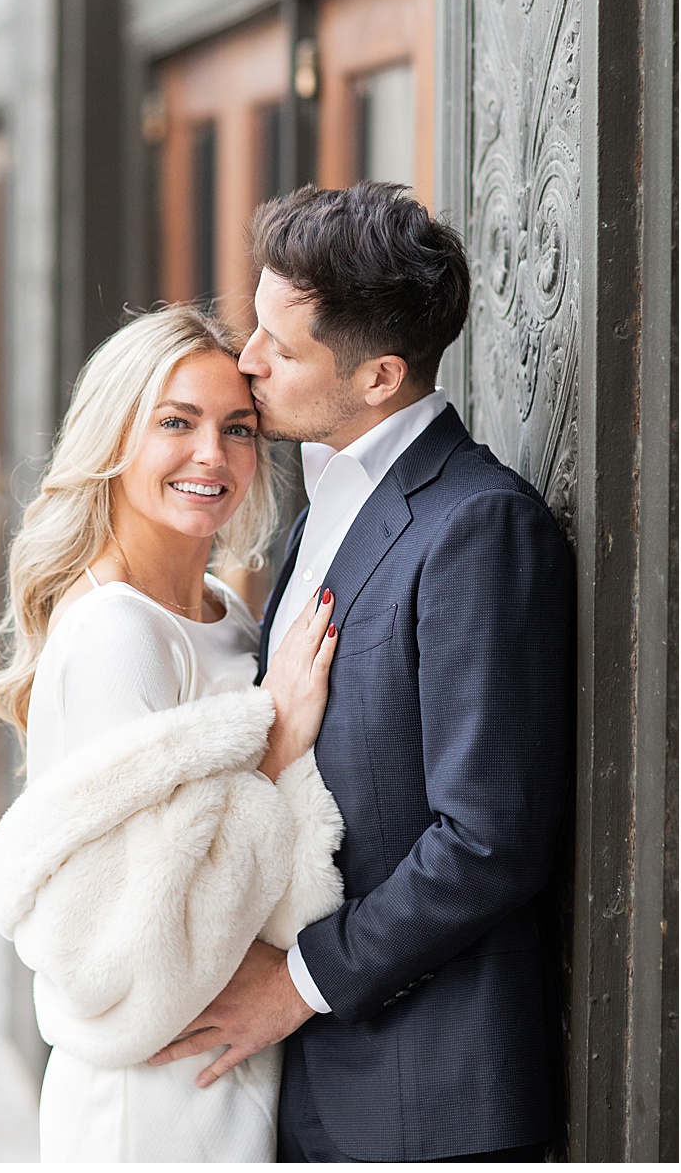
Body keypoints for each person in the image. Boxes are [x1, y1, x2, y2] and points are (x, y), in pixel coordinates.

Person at [144, 183, 576, 1163]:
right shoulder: (314, 513)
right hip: (314, 1090)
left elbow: (487, 841)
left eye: (279, 347)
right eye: (253, 325)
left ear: (380, 376)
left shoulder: (478, 527)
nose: (247, 361)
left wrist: (294, 983)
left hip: (425, 1101)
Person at [0, 307, 346, 1161]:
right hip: (149, 1100)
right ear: (116, 436)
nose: (212, 455)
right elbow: (140, 942)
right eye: (176, 422)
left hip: (230, 1069)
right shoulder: (117, 633)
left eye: (238, 428)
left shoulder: (225, 610)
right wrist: (277, 744)